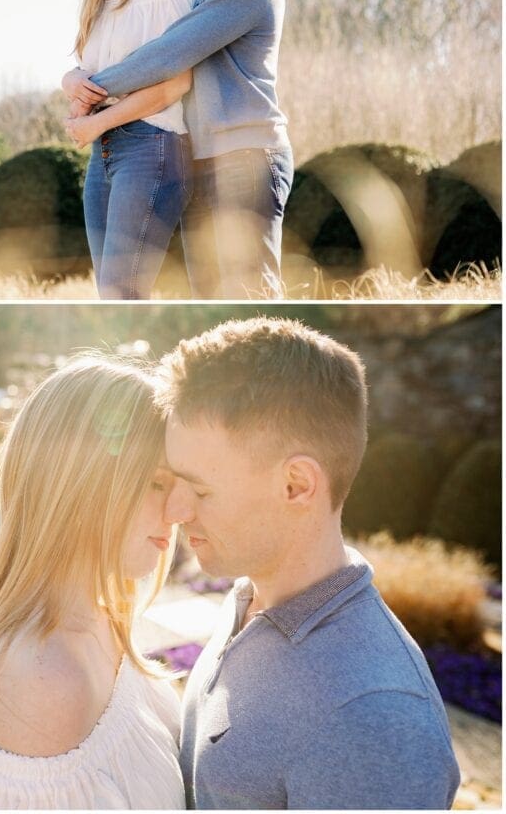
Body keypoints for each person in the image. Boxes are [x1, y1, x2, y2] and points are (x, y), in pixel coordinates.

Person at [155, 317, 461, 810]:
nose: (176, 511)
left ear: (296, 485)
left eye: (201, 490)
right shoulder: (249, 600)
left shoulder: (372, 718)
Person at [0, 355, 185, 810]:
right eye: (155, 482)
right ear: (82, 484)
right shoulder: (43, 680)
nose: (179, 510)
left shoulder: (102, 613)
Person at [64, 0, 294, 300]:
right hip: (206, 154)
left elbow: (169, 57)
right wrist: (72, 77)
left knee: (249, 297)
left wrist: (90, 94)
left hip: (244, 155)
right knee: (211, 301)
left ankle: (279, 370)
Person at [62, 0, 195, 300]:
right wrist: (70, 79)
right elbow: (93, 73)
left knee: (123, 295)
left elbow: (175, 83)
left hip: (152, 146)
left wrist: (97, 125)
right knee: (110, 295)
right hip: (105, 156)